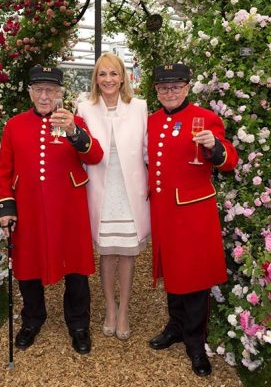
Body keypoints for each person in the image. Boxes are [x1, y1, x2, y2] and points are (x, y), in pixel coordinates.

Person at [0, 64, 103, 355]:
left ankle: (79, 324)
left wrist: (74, 132)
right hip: (28, 206)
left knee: (76, 266)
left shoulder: (74, 120)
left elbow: (95, 156)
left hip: (68, 207)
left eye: (51, 90)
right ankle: (32, 319)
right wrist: (6, 205)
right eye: (39, 90)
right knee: (27, 264)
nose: (45, 96)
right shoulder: (14, 125)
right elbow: (4, 169)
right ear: (30, 92)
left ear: (60, 94)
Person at [147, 63, 238, 377]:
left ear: (187, 88)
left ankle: (195, 343)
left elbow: (229, 159)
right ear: (156, 91)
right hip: (163, 210)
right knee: (173, 270)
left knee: (196, 278)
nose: (170, 92)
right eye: (163, 87)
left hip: (193, 212)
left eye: (176, 86)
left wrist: (215, 149)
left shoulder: (205, 118)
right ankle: (175, 326)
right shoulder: (152, 121)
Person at [77, 52, 150, 340]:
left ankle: (124, 311)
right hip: (99, 188)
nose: (108, 79)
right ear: (96, 78)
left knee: (127, 253)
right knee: (107, 253)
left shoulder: (139, 107)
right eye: (102, 74)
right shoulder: (83, 108)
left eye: (113, 73)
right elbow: (77, 148)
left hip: (130, 189)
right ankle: (109, 306)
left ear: (123, 77)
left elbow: (147, 151)